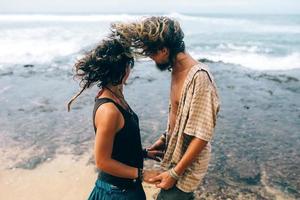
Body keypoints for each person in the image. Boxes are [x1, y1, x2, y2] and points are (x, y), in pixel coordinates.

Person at [111, 16, 220, 200]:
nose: (151, 59)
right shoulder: (176, 70)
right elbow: (179, 116)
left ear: (163, 49)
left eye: (151, 54)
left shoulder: (199, 78)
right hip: (176, 158)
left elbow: (202, 135)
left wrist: (175, 174)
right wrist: (165, 138)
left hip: (186, 169)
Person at [67, 37, 162, 200]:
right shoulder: (109, 110)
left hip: (126, 189)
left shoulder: (117, 97)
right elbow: (102, 161)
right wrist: (142, 174)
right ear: (123, 69)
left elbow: (119, 145)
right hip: (116, 193)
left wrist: (144, 153)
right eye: (129, 65)